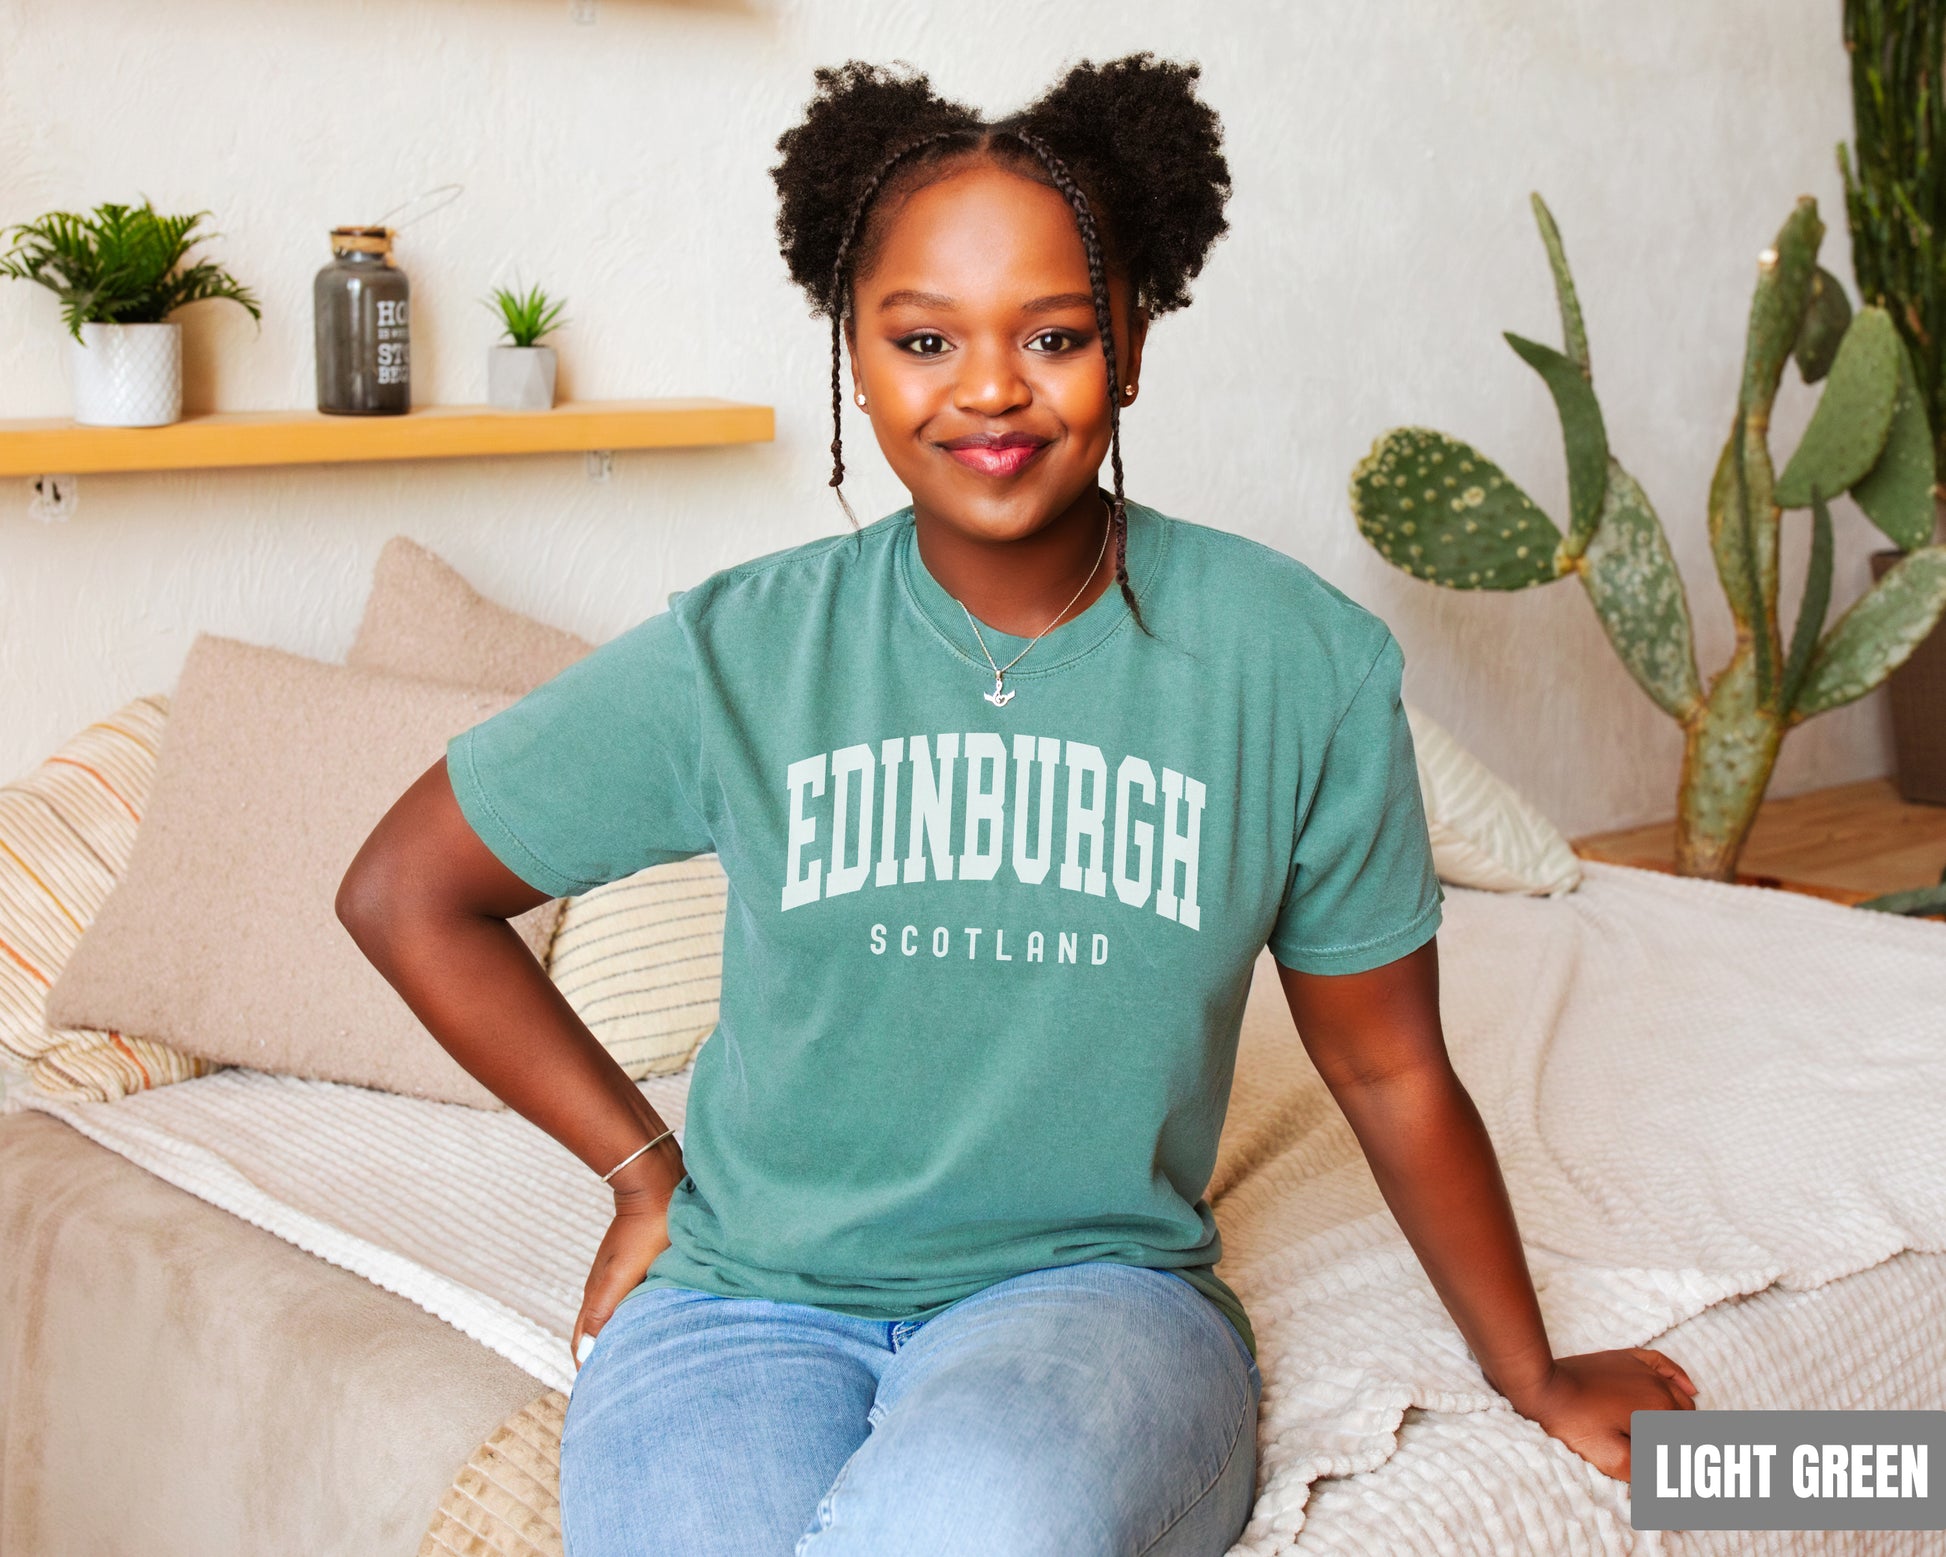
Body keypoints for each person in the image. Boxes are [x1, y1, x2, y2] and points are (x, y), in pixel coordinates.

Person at [337, 53, 1697, 1557]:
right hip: (739, 1303)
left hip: (1093, 1307)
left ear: (1132, 338)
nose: (988, 386)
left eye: (1052, 333)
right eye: (923, 337)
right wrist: (640, 1174)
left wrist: (1529, 1366)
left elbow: (1385, 1070)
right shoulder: (742, 651)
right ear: (852, 352)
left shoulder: (1292, 663)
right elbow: (405, 889)